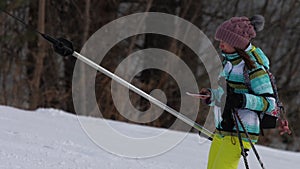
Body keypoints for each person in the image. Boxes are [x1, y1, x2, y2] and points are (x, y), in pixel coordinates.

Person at [198, 15, 276, 169]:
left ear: (237, 43)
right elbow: (226, 96)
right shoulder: (229, 64)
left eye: (224, 42)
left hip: (243, 130)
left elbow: (269, 103)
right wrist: (211, 96)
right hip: (225, 125)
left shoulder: (254, 68)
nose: (220, 45)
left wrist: (241, 100)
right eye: (220, 41)